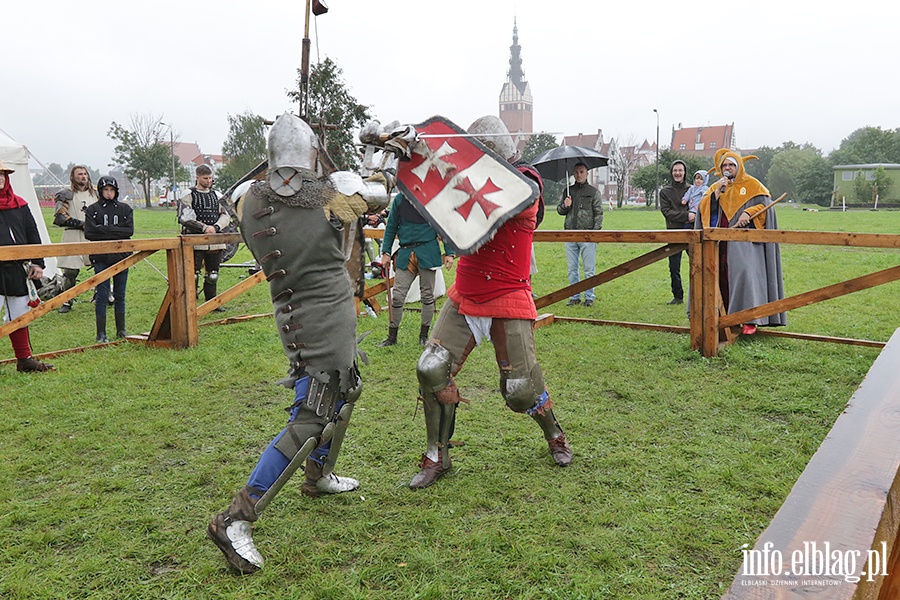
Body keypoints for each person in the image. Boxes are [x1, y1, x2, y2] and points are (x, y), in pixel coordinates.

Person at [207, 112, 394, 574]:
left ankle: (318, 474)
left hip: (293, 315)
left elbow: (265, 193)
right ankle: (236, 519)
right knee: (312, 416)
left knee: (347, 390)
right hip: (324, 320)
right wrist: (381, 148)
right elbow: (381, 191)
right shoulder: (332, 198)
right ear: (311, 154)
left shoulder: (246, 199)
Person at [408, 115, 572, 490]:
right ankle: (437, 456)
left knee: (520, 391)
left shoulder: (525, 184)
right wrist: (411, 146)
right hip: (466, 293)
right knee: (431, 368)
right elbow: (434, 189)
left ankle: (554, 434)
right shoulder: (464, 181)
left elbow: (496, 204)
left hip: (508, 294)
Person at [695, 149, 786, 334]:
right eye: (724, 166)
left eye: (731, 165)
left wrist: (749, 213)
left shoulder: (753, 185)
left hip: (745, 242)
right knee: (717, 274)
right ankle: (720, 315)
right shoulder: (717, 186)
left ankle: (748, 319)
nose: (728, 168)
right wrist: (715, 197)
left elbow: (766, 207)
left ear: (739, 166)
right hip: (719, 241)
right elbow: (703, 210)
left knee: (743, 272)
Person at [376, 193, 455, 347]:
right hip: (406, 253)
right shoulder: (399, 199)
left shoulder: (433, 197)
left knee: (427, 296)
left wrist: (449, 252)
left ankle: (424, 337)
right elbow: (391, 226)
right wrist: (386, 252)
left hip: (428, 251)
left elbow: (444, 227)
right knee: (398, 296)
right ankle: (392, 337)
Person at [0, 161, 54, 372]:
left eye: (3, 175)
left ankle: (24, 359)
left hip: (16, 270)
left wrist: (38, 263)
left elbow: (32, 234)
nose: (1, 179)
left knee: (20, 316)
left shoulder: (20, 204)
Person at [84, 176, 134, 343]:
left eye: (112, 190)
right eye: (106, 190)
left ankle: (121, 330)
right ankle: (101, 334)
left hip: (121, 256)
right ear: (100, 191)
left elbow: (128, 231)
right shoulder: (92, 209)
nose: (109, 193)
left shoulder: (125, 209)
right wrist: (115, 230)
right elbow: (89, 233)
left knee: (120, 294)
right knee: (102, 294)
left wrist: (103, 230)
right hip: (101, 257)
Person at [178, 165, 230, 312]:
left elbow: (225, 215)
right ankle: (190, 303)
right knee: (192, 274)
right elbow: (184, 217)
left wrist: (216, 227)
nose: (208, 181)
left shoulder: (218, 196)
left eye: (210, 178)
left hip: (214, 241)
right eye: (205, 178)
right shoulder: (188, 194)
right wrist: (204, 228)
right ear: (197, 177)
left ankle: (212, 304)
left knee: (213, 274)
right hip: (194, 240)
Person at [556, 162, 603, 306]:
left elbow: (598, 214)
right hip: (570, 234)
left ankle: (589, 296)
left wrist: (595, 234)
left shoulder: (594, 192)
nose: (579, 175)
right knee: (572, 269)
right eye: (576, 172)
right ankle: (574, 296)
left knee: (589, 269)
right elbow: (559, 210)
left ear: (587, 173)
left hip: (587, 235)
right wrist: (565, 205)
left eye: (581, 172)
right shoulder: (568, 191)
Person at [53, 165, 97, 313]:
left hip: (93, 236)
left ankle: (103, 294)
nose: (83, 176)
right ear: (73, 176)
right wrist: (81, 224)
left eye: (85, 174)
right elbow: (60, 217)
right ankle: (67, 300)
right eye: (79, 174)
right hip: (72, 235)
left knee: (101, 266)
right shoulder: (66, 194)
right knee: (70, 272)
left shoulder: (96, 194)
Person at [659, 160, 691, 305]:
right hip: (673, 232)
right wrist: (686, 216)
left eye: (680, 170)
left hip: (691, 232)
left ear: (684, 172)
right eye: (675, 170)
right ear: (671, 172)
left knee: (697, 264)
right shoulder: (665, 192)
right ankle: (678, 296)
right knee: (674, 266)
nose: (678, 173)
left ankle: (697, 293)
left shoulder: (692, 189)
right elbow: (667, 212)